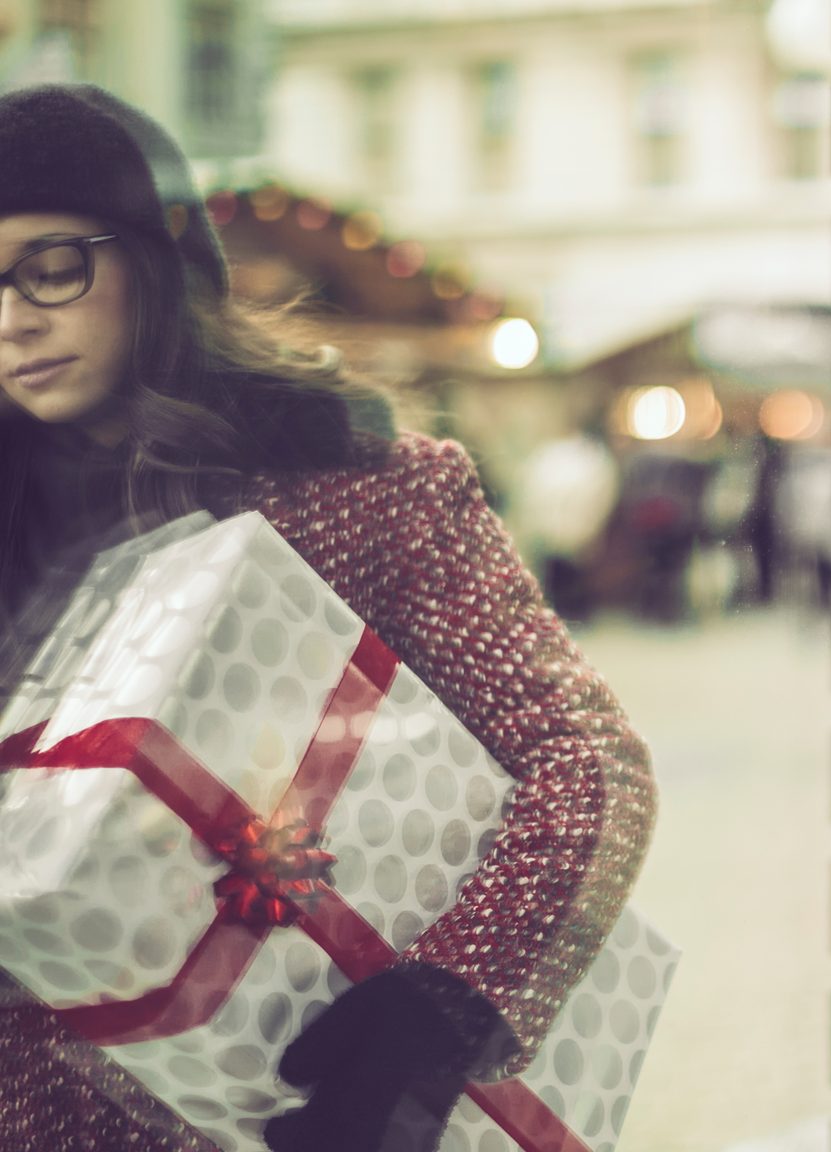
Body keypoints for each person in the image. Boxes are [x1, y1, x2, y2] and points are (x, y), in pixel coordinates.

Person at [0, 85, 657, 1151]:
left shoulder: (359, 488)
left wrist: (442, 1007)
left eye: (50, 268)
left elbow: (585, 766)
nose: (13, 317)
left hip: (313, 1096)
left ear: (159, 261)